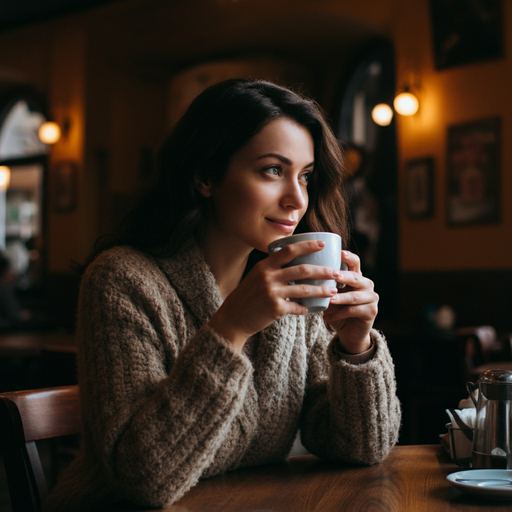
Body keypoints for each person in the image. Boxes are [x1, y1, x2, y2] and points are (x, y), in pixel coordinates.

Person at [43, 79, 401, 512]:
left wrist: (355, 347)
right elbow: (143, 479)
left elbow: (359, 447)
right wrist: (231, 328)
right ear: (205, 176)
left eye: (305, 176)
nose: (296, 199)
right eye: (273, 170)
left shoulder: (294, 286)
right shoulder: (122, 281)